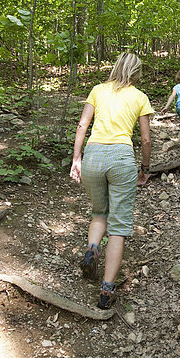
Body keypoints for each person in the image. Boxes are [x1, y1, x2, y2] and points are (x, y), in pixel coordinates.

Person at [70, 52, 153, 310]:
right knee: (119, 226)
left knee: (98, 213)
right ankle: (106, 290)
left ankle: (92, 248)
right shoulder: (139, 97)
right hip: (121, 159)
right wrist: (145, 168)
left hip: (93, 155)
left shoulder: (97, 90)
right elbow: (147, 139)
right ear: (137, 72)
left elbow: (83, 125)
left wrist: (77, 158)